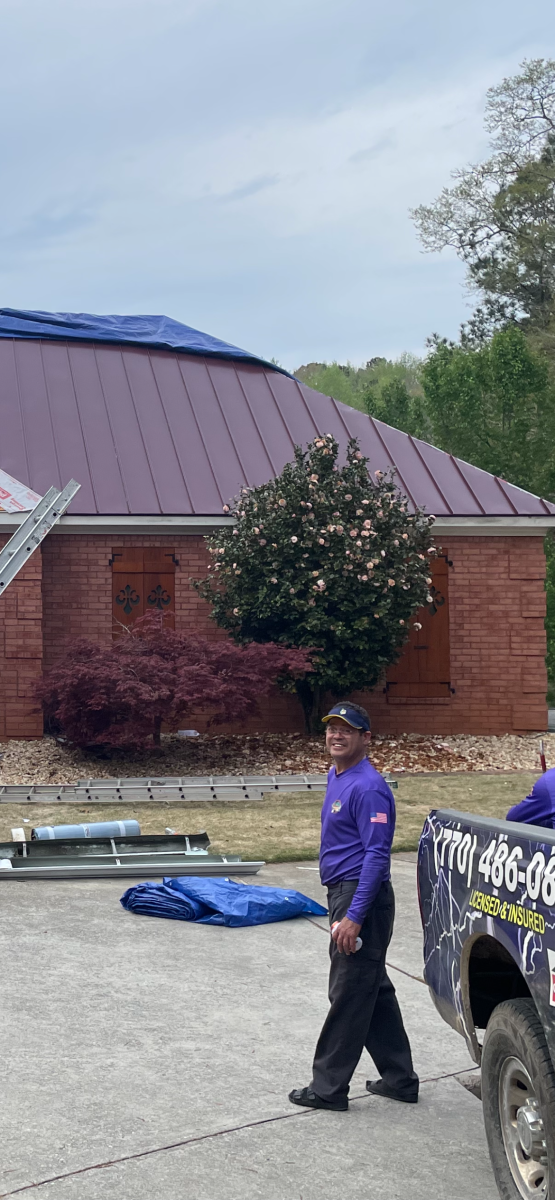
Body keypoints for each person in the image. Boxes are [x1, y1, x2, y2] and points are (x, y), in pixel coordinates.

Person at [288, 702, 419, 1112]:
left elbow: (377, 858)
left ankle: (328, 1088)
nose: (337, 736)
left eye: (348, 729)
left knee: (347, 990)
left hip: (361, 896)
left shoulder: (369, 787)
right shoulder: (337, 774)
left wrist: (354, 916)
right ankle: (400, 1080)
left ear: (366, 737)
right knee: (371, 987)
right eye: (332, 728)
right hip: (342, 891)